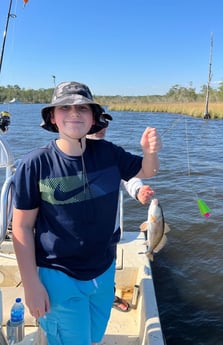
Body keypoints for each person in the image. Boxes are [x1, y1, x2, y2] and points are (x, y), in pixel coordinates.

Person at [12, 81, 162, 345]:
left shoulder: (108, 153)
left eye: (82, 107)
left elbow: (146, 171)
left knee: (93, 336)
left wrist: (150, 152)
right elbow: (22, 227)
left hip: (104, 271)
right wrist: (31, 284)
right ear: (52, 117)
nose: (74, 113)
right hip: (58, 276)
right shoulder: (35, 164)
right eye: (65, 108)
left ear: (94, 117)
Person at [87, 124, 155, 312]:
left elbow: (129, 176)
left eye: (105, 123)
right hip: (80, 233)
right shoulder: (69, 153)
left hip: (109, 230)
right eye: (96, 123)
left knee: (108, 268)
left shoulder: (112, 153)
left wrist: (139, 190)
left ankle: (108, 296)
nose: (101, 128)